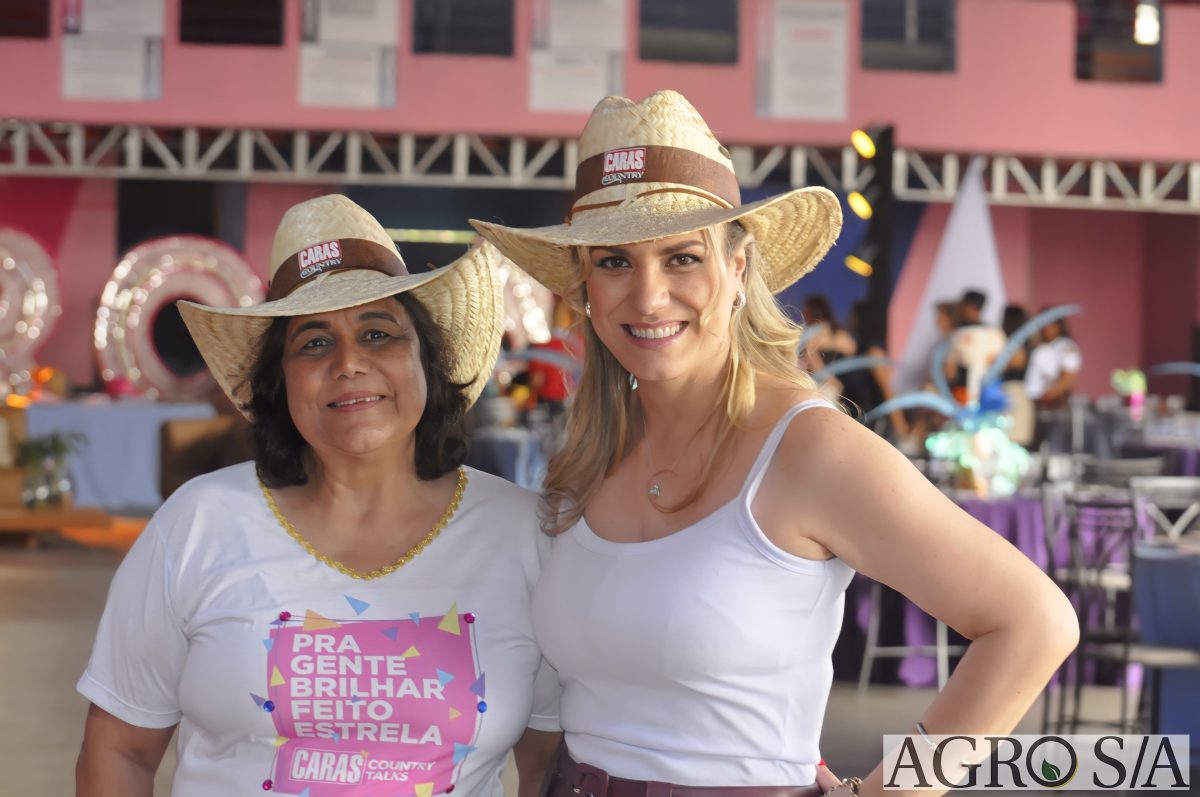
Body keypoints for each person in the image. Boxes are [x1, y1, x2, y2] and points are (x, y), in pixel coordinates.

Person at [472, 91, 1077, 797]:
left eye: (681, 257)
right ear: (585, 286)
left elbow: (1033, 622)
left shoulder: (808, 448)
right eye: (614, 261)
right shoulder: (591, 451)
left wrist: (889, 793)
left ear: (737, 268)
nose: (648, 296)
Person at [75, 195, 561, 797]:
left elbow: (547, 763)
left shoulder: (521, 533)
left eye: (378, 334)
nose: (349, 363)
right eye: (313, 343)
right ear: (279, 383)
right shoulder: (199, 524)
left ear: (427, 362)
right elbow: (119, 750)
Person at [1025, 316, 1082, 410]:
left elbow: (1068, 377)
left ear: (1058, 326)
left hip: (1051, 403)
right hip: (1031, 399)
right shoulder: (1037, 346)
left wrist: (1051, 393)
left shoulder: (1066, 346)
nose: (1046, 328)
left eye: (1050, 325)